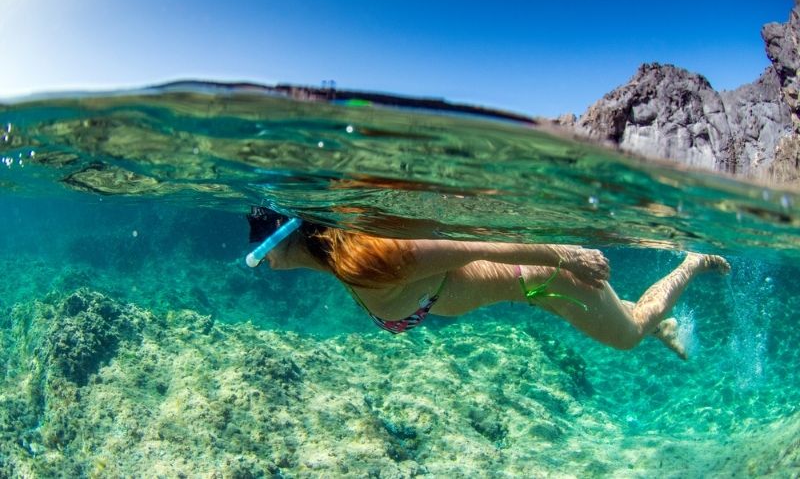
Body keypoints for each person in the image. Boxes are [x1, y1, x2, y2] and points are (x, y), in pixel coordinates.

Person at [247, 207, 730, 360]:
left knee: (628, 336)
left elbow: (475, 248)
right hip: (530, 285)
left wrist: (566, 256)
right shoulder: (338, 252)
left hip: (544, 279)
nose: (260, 261)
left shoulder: (370, 262)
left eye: (259, 249)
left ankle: (688, 265)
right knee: (624, 320)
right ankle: (657, 325)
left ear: (284, 238)